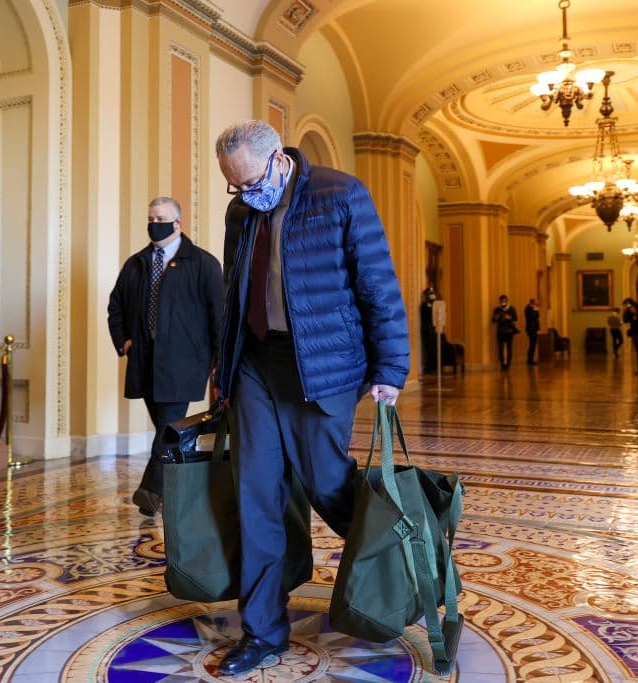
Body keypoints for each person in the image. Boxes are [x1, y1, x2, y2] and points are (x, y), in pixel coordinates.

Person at [213, 120, 409, 675]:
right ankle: (263, 632)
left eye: (251, 182)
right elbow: (234, 294)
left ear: (278, 160)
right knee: (256, 492)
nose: (245, 195)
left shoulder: (340, 193)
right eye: (234, 187)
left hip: (322, 365)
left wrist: (390, 367)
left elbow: (377, 283)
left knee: (326, 480)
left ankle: (398, 563)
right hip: (255, 361)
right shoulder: (240, 212)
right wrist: (222, 370)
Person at [107, 197, 223, 515]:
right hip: (144, 363)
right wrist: (125, 343)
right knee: (167, 429)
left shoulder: (203, 263)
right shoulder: (136, 263)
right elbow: (115, 306)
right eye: (150, 217)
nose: (154, 222)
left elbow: (219, 316)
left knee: (169, 426)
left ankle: (150, 489)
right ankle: (175, 492)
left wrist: (219, 363)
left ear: (178, 223)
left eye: (160, 217)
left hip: (185, 364)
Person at [491, 294, 519, 370]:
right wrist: (496, 317)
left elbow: (516, 318)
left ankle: (508, 365)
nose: (503, 303)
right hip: (500, 332)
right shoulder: (497, 309)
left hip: (509, 332)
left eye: (504, 301)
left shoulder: (511, 309)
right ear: (499, 302)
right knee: (500, 349)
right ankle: (502, 365)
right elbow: (493, 320)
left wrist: (509, 317)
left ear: (507, 301)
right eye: (501, 302)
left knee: (509, 349)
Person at [420, 286, 439, 373]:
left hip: (433, 328)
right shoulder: (424, 305)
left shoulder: (435, 304)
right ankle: (429, 367)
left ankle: (434, 367)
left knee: (434, 348)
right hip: (427, 328)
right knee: (429, 349)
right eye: (430, 294)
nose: (432, 296)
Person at [524, 299, 540, 365]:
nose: (536, 305)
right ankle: (530, 360)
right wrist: (536, 310)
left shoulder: (532, 308)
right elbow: (533, 316)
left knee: (533, 344)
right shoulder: (528, 309)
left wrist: (536, 310)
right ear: (532, 303)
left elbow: (537, 316)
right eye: (535, 304)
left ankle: (530, 359)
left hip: (534, 329)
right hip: (531, 329)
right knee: (532, 345)